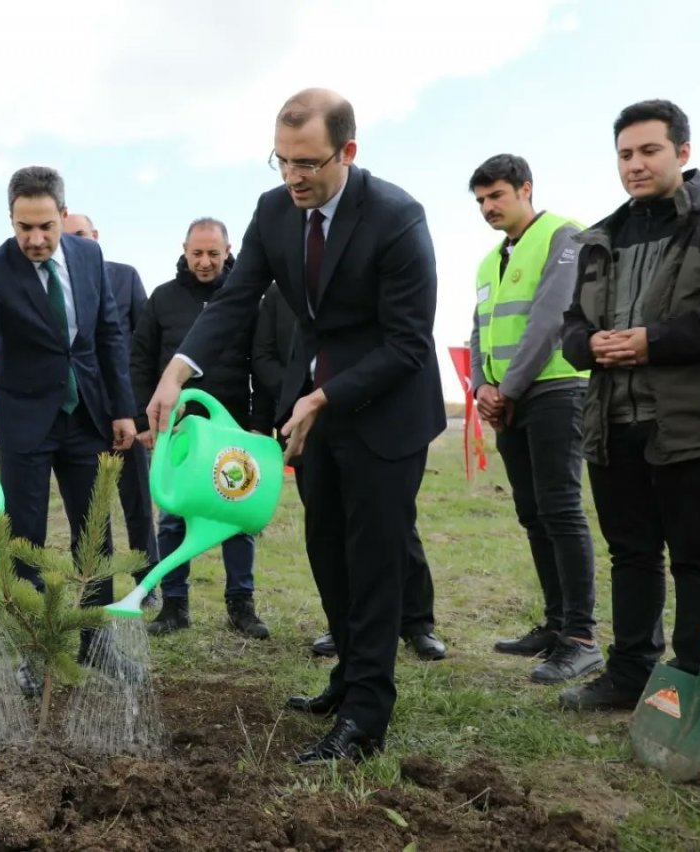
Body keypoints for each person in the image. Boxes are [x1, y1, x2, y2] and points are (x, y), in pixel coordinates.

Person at [146, 89, 445, 764]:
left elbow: (408, 344)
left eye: (308, 162)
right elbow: (235, 297)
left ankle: (367, 716)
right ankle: (348, 678)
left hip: (385, 410)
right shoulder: (275, 212)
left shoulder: (397, 218)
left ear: (349, 151)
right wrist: (177, 370)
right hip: (314, 415)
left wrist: (324, 397)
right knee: (326, 549)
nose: (294, 177)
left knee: (373, 560)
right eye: (282, 161)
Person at [559, 99, 700, 711]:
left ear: (683, 152)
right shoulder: (601, 237)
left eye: (649, 150)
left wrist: (656, 341)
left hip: (693, 428)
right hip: (611, 425)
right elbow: (571, 325)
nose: (635, 164)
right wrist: (588, 344)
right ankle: (628, 676)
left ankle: (691, 685)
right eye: (625, 154)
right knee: (631, 556)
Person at [0, 166, 138, 693]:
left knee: (95, 530)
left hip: (86, 414)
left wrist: (123, 409)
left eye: (45, 227)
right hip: (25, 418)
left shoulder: (90, 257)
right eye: (23, 227)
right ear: (11, 220)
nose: (34, 239)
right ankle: (35, 650)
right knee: (26, 536)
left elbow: (108, 334)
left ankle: (98, 643)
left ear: (62, 215)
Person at [253, 284, 446, 661]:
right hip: (307, 421)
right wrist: (299, 390)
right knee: (327, 528)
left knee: (392, 526)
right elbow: (264, 356)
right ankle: (343, 623)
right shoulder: (278, 295)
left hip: (368, 410)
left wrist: (331, 390)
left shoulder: (363, 269)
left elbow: (402, 340)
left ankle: (416, 623)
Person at [466, 154, 599, 685]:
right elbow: (478, 330)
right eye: (479, 200)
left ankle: (583, 638)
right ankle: (556, 622)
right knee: (533, 513)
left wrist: (506, 390)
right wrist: (481, 386)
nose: (487, 207)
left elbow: (548, 320)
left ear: (525, 189)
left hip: (555, 390)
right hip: (509, 400)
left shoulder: (564, 236)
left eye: (496, 195)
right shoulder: (486, 261)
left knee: (561, 509)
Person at [130, 217, 270, 639]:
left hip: (232, 431)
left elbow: (261, 363)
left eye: (214, 253)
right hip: (178, 431)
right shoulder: (163, 299)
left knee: (238, 516)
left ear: (228, 252)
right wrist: (143, 419)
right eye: (197, 253)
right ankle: (174, 605)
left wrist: (259, 425)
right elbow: (140, 359)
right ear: (184, 250)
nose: (205, 262)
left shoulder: (247, 300)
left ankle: (241, 605)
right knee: (172, 516)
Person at [63, 212, 159, 607]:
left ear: (97, 236)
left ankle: (147, 584)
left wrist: (139, 414)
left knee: (136, 500)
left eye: (83, 236)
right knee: (89, 512)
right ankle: (93, 587)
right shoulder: (59, 284)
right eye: (69, 238)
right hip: (82, 416)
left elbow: (142, 348)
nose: (78, 245)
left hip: (125, 411)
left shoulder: (124, 276)